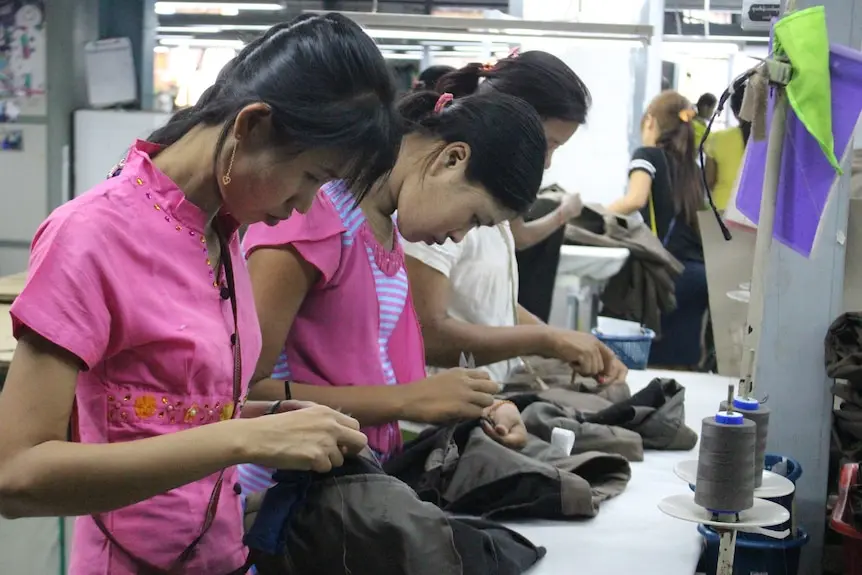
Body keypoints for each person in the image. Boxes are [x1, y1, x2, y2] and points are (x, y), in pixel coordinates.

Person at [0, 14, 402, 575]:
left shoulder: (223, 231)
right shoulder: (92, 234)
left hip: (222, 556)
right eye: (312, 176)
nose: (306, 206)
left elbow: (163, 414)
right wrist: (244, 438)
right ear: (253, 127)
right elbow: (16, 475)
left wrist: (276, 418)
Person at [237, 89, 548, 492]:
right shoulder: (312, 220)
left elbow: (386, 373)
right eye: (472, 218)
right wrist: (408, 400)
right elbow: (242, 389)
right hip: (280, 502)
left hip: (349, 491)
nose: (458, 237)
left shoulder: (384, 235)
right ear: (452, 158)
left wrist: (481, 405)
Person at [402, 51, 627, 385]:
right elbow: (426, 336)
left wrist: (562, 342)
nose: (546, 162)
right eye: (546, 145)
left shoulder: (478, 195)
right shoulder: (434, 210)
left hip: (477, 400)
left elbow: (492, 305)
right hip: (436, 412)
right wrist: (547, 341)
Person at [607, 90, 707, 369]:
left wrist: (588, 214)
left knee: (652, 370)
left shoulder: (647, 155)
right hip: (699, 275)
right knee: (684, 368)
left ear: (650, 122)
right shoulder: (693, 167)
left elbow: (635, 199)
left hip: (669, 278)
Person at [704, 83, 749, 211]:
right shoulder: (769, 141)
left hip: (722, 209)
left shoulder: (716, 138)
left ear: (735, 112)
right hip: (757, 216)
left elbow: (709, 180)